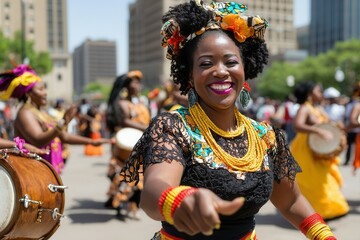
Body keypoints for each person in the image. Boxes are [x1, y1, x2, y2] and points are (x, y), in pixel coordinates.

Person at [119, 1, 337, 239]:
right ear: (189, 76)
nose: (221, 71)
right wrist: (181, 200)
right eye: (206, 63)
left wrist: (323, 235)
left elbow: (291, 201)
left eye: (230, 62)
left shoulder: (265, 136)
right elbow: (153, 190)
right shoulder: (174, 126)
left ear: (245, 70)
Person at [0, 64, 110, 174]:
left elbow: (64, 136)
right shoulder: (25, 113)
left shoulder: (42, 113)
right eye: (41, 89)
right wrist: (63, 122)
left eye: (45, 89)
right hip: (32, 172)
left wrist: (91, 141)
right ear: (28, 94)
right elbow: (38, 140)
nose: (45, 93)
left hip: (45, 171)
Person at [290, 81, 349, 220]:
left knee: (323, 180)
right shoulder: (304, 108)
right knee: (312, 182)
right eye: (318, 91)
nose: (321, 94)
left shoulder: (317, 108)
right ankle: (312, 213)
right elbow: (297, 125)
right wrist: (317, 131)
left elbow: (327, 124)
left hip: (317, 149)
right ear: (310, 94)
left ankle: (322, 211)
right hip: (305, 149)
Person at [105, 70, 151, 218]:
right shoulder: (122, 104)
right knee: (125, 176)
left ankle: (132, 206)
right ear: (126, 86)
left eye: (139, 82)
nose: (138, 85)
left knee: (140, 177)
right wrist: (147, 127)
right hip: (126, 146)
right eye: (135, 82)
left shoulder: (139, 103)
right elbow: (124, 121)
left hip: (141, 143)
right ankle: (119, 204)